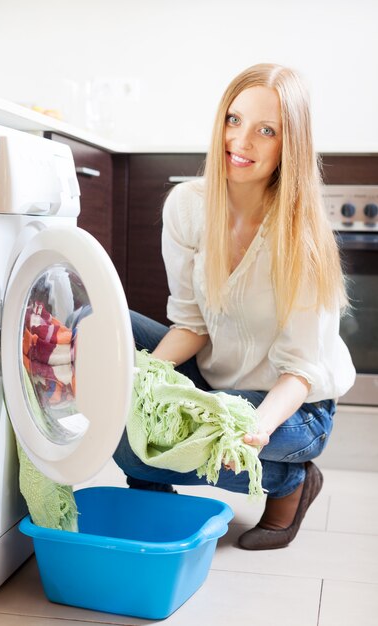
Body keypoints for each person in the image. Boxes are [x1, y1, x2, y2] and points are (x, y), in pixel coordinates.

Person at [113, 63, 355, 550]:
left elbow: (302, 371)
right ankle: (155, 500)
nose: (241, 142)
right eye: (234, 119)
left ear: (290, 146)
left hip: (294, 409)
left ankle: (291, 483)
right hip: (218, 373)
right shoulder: (187, 205)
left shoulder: (301, 240)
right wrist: (145, 378)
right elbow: (192, 324)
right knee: (110, 341)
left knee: (144, 444)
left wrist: (254, 429)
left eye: (266, 131)